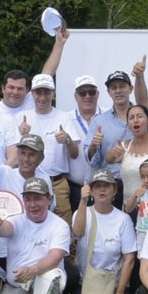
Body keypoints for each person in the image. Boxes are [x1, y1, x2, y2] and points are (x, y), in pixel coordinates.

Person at [69, 171, 136, 294]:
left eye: (107, 186)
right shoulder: (81, 212)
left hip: (112, 282)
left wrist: (119, 293)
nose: (102, 190)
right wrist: (83, 202)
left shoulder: (123, 219)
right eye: (97, 186)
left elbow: (129, 259)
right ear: (91, 191)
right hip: (85, 281)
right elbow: (77, 233)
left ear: (115, 191)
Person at [16, 73, 80, 223]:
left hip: (57, 183)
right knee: (29, 222)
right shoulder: (21, 117)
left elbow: (75, 154)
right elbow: (14, 153)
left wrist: (67, 140)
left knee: (64, 224)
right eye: (39, 92)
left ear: (53, 93)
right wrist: (20, 134)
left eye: (47, 92)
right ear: (32, 93)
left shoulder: (63, 117)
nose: (42, 97)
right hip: (29, 182)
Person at [106, 104, 148, 212]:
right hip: (130, 208)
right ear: (128, 124)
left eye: (140, 116)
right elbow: (108, 159)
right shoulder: (125, 146)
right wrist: (113, 152)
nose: (135, 120)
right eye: (131, 118)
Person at [65, 75, 101, 211]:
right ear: (75, 96)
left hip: (103, 188)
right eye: (82, 93)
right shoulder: (65, 119)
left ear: (97, 94)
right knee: (77, 229)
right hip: (75, 188)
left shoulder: (108, 116)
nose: (87, 96)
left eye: (91, 92)